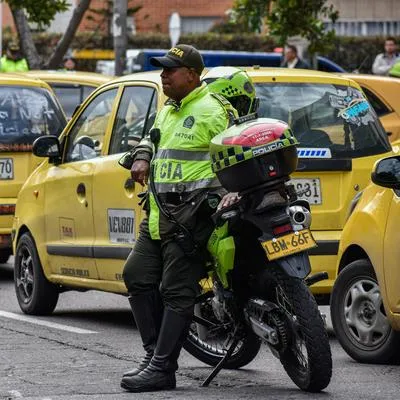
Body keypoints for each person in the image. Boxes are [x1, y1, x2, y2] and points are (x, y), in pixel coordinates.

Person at [120, 44, 237, 393]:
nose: (163, 75)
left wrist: (230, 193)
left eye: (171, 70)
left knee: (176, 291)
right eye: (163, 69)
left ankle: (161, 367)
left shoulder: (213, 111)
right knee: (136, 276)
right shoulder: (169, 109)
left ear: (192, 75)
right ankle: (154, 354)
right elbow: (151, 140)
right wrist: (141, 156)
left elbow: (234, 157)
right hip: (158, 214)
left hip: (192, 217)